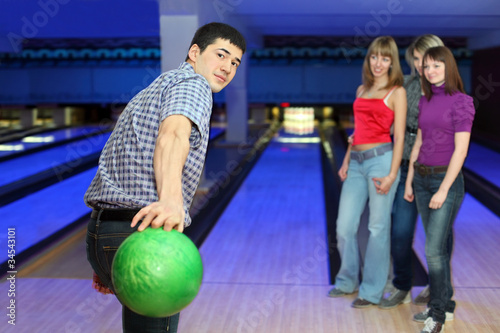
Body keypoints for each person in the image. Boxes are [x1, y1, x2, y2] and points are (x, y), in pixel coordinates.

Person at [84, 22, 246, 333]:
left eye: (235, 62)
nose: (227, 67)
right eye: (221, 55)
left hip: (105, 235)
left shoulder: (159, 85)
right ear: (195, 52)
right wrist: (172, 201)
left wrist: (107, 259)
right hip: (145, 237)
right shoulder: (193, 85)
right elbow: (172, 135)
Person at [328, 36, 407, 308]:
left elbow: (399, 137)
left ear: (392, 62)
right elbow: (357, 131)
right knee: (344, 226)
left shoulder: (397, 92)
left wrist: (392, 175)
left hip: (381, 162)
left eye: (385, 58)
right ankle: (347, 280)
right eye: (374, 57)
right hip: (357, 162)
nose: (378, 63)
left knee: (377, 227)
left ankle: (372, 290)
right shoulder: (361, 89)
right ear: (369, 58)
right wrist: (347, 160)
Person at [404, 46, 475, 333]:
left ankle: (437, 315)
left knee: (433, 250)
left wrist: (444, 189)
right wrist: (410, 180)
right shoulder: (425, 100)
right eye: (427, 66)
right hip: (421, 179)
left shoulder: (462, 102)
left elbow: (460, 151)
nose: (431, 71)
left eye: (437, 66)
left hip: (446, 181)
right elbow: (419, 143)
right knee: (439, 250)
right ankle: (445, 304)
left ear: (449, 67)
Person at [379, 34, 444, 309]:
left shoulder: (449, 91)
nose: (420, 65)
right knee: (401, 232)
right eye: (415, 59)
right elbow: (382, 119)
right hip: (405, 165)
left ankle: (437, 288)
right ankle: (402, 285)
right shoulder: (404, 85)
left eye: (425, 59)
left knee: (437, 237)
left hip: (434, 169)